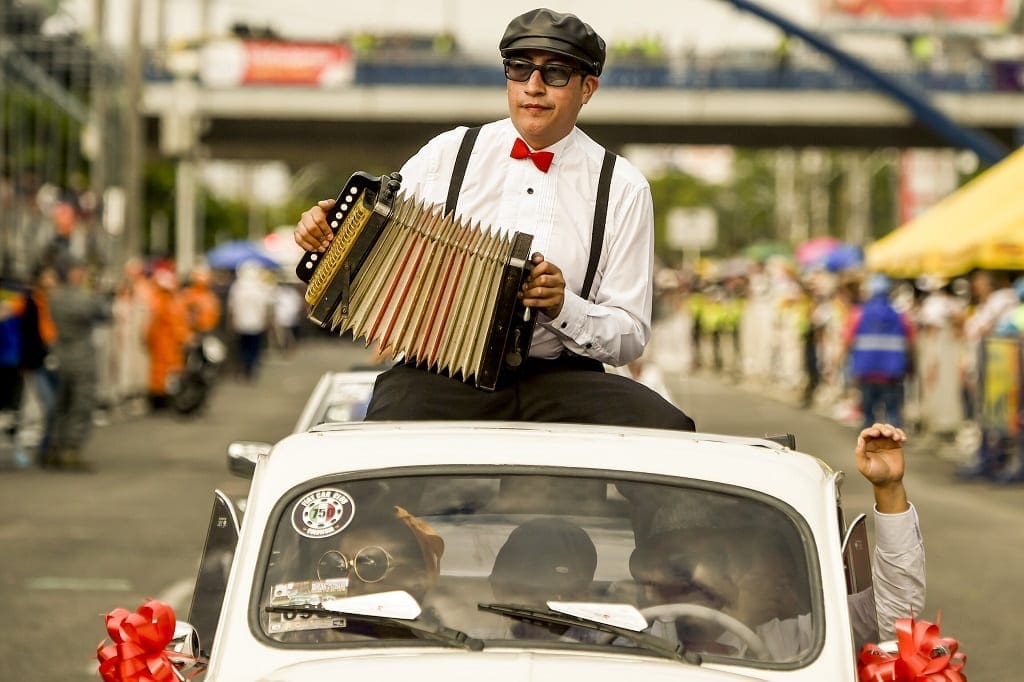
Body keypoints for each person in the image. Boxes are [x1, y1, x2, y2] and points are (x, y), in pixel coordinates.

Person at [294, 8, 694, 431]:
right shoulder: (448, 154)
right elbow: (366, 248)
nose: (533, 87)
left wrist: (564, 307)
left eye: (555, 73)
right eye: (520, 69)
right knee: (381, 446)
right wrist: (324, 238)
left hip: (561, 379)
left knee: (670, 430)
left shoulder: (624, 187)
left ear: (587, 88)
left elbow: (630, 334)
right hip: (439, 373)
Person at [628, 423, 924, 661]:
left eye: (704, 563)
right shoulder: (632, 637)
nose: (691, 579)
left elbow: (897, 611)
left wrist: (889, 489)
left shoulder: (801, 638)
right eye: (675, 568)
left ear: (736, 566)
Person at [47, 260, 111, 470]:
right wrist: (98, 291)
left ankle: (54, 448)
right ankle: (71, 450)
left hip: (61, 354)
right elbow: (104, 313)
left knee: (62, 404)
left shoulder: (55, 297)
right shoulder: (84, 298)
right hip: (82, 356)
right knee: (81, 404)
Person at [842, 274, 915, 429]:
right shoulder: (900, 316)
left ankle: (869, 447)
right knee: (893, 415)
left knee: (868, 416)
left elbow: (848, 340)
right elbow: (910, 342)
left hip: (866, 372)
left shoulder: (858, 314)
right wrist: (910, 366)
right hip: (892, 374)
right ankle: (893, 446)